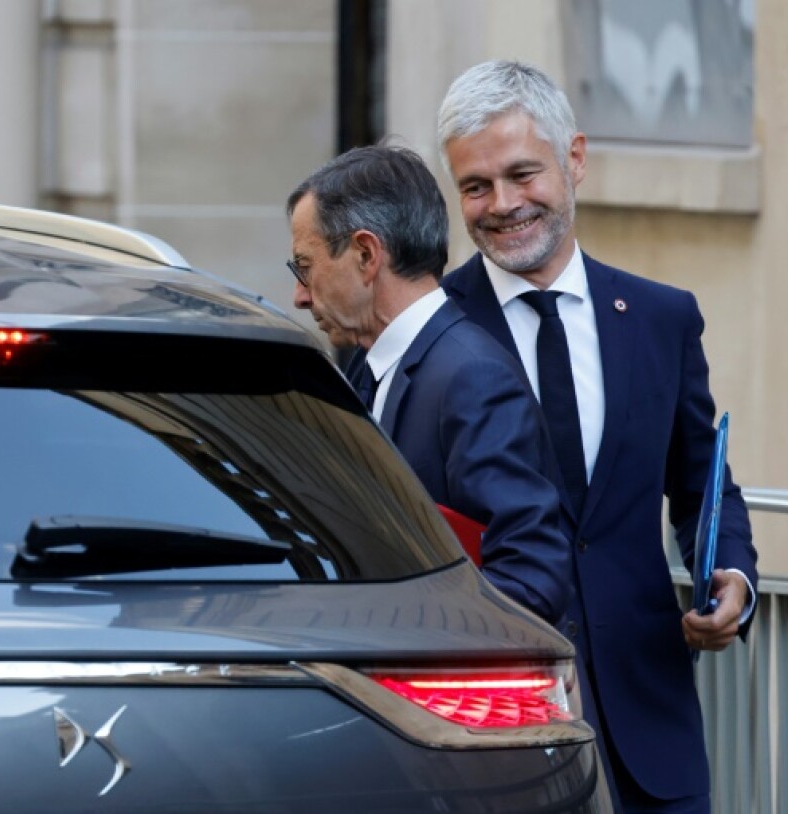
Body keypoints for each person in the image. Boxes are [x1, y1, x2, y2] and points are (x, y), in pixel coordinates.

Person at [436, 60, 759, 813]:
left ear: (574, 158)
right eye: (476, 186)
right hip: (499, 733)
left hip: (651, 728)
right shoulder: (434, 333)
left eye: (523, 174)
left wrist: (733, 579)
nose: (503, 205)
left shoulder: (661, 318)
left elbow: (702, 483)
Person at [284, 144, 578, 637]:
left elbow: (530, 580)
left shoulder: (473, 377)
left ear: (365, 254)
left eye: (304, 267)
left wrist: (394, 627)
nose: (299, 295)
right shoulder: (369, 367)